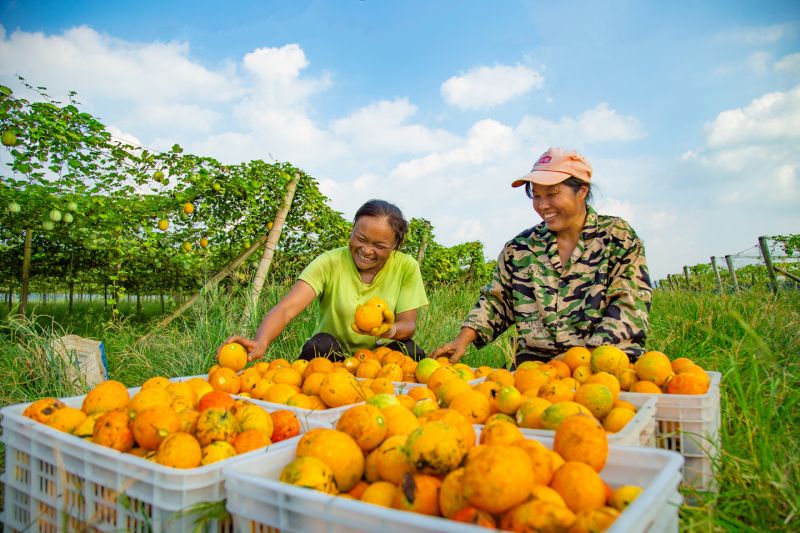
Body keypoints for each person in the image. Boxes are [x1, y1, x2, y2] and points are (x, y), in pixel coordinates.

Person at [430, 147, 652, 367]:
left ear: (582, 191)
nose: (543, 206)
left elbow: (628, 302)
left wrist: (580, 358)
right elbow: (496, 300)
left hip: (605, 363)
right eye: (536, 196)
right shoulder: (520, 249)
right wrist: (463, 339)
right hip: (536, 367)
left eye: (552, 194)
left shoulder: (617, 237)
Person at [222, 199, 429, 362]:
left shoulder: (406, 266)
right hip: (331, 356)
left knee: (409, 350)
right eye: (361, 239)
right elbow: (286, 309)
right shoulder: (329, 262)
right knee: (319, 344)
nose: (366, 250)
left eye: (379, 246)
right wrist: (260, 342)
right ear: (352, 230)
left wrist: (388, 330)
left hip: (376, 361)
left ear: (395, 246)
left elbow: (408, 324)